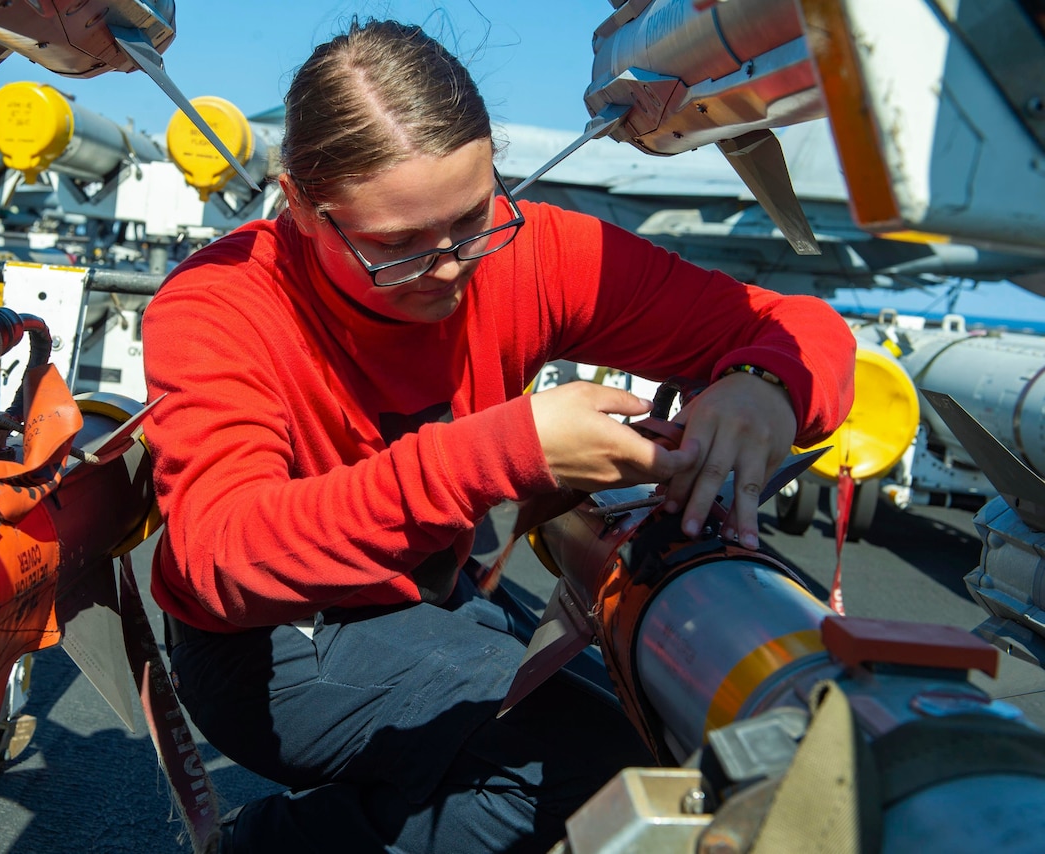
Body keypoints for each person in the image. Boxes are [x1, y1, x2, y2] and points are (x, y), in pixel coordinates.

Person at [142, 17, 855, 853]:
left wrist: (764, 388)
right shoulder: (219, 304)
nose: (448, 265)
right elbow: (224, 556)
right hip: (271, 644)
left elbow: (799, 326)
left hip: (435, 601)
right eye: (396, 246)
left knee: (669, 737)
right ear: (300, 204)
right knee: (598, 780)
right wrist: (509, 450)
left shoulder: (525, 254)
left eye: (473, 219)